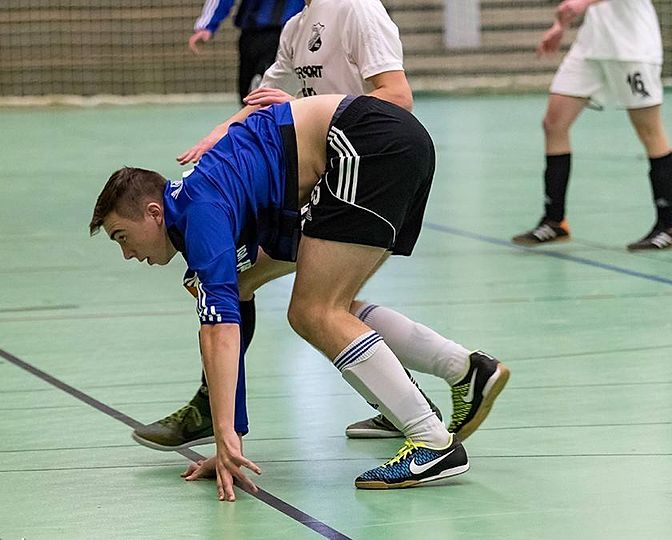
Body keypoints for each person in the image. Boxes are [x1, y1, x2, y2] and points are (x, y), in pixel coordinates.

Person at [132, 0, 508, 452]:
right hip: (328, 177)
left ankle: (436, 404)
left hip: (361, 163)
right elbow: (262, 102)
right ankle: (447, 377)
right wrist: (220, 133)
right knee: (303, 299)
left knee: (314, 309)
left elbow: (398, 98)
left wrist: (301, 108)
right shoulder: (296, 26)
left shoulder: (356, 10)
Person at [90, 94, 509, 496]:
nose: (128, 254)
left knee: (315, 311)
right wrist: (231, 438)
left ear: (154, 213)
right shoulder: (202, 198)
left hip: (363, 146)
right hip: (385, 144)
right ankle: (464, 368)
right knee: (325, 305)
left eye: (122, 237)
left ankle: (432, 441)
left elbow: (219, 333)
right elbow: (235, 303)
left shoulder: (201, 214)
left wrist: (224, 436)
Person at [513, 0, 672, 250]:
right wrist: (560, 25)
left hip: (632, 48)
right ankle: (555, 220)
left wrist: (582, 3)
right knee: (554, 124)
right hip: (592, 46)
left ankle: (668, 225)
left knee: (649, 131)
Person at [189, 0, 305, 101]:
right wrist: (208, 25)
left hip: (288, 32)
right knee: (249, 95)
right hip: (252, 33)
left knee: (268, 92)